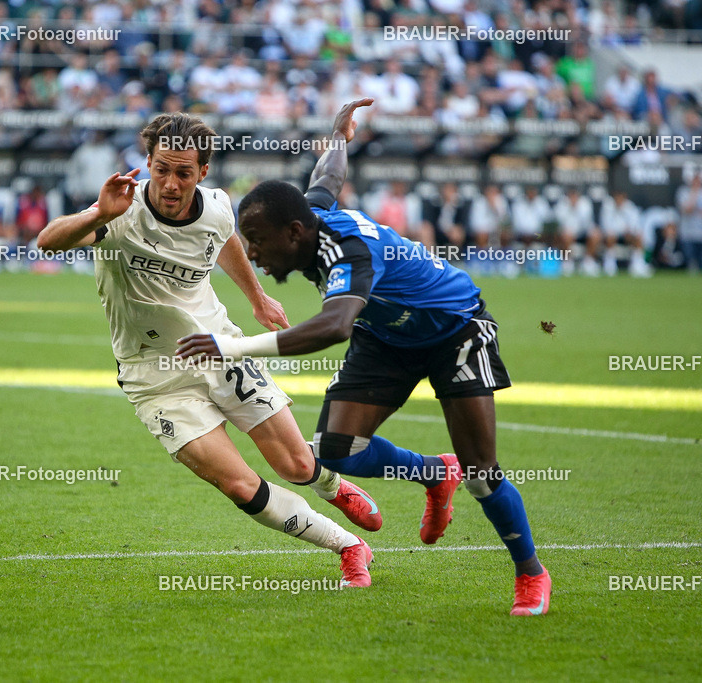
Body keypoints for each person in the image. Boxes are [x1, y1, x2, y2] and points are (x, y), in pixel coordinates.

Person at [176, 100, 551, 616]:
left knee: (482, 472)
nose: (254, 254)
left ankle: (530, 571)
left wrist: (232, 345)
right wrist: (338, 133)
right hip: (387, 337)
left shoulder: (345, 250)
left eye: (258, 242)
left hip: (454, 329)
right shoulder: (310, 215)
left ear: (294, 233)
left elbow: (334, 326)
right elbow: (327, 175)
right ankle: (432, 473)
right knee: (335, 449)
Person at [37, 108, 383, 587]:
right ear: (148, 164)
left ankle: (330, 484)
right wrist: (97, 212)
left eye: (183, 173)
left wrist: (258, 299)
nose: (171, 184)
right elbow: (46, 243)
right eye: (161, 170)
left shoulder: (218, 207)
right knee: (239, 484)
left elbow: (225, 241)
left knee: (296, 464)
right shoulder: (121, 213)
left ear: (202, 173)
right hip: (153, 377)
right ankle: (347, 546)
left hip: (220, 350)